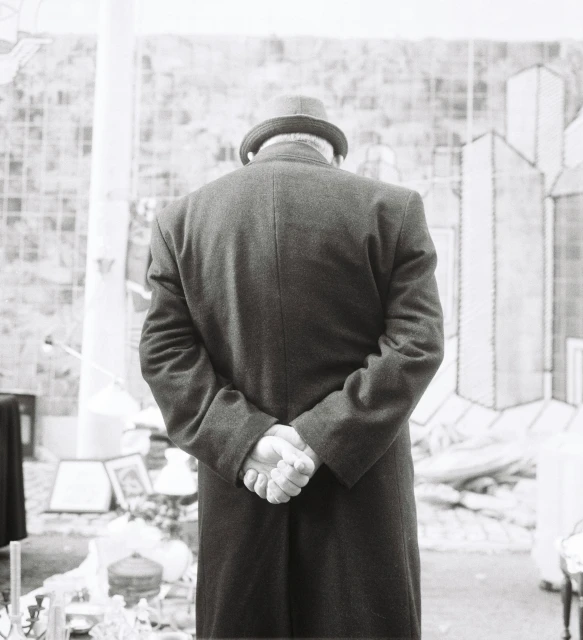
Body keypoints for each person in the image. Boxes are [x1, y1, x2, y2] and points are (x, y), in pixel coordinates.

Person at [139, 94, 444, 639]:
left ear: (254, 149)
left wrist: (249, 438)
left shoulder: (180, 220)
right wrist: (316, 438)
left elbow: (165, 353)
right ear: (333, 152)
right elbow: (415, 344)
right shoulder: (391, 208)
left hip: (243, 482)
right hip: (360, 484)